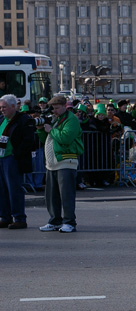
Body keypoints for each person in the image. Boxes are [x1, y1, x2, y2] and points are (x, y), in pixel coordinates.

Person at [38, 95, 84, 233]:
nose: (55, 111)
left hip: (66, 161)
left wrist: (50, 129)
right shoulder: (57, 120)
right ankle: (55, 220)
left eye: (57, 108)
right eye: (53, 108)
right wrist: (41, 129)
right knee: (52, 196)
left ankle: (69, 222)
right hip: (53, 163)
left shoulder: (72, 120)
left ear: (65, 106)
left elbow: (65, 138)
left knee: (66, 195)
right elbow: (47, 139)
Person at [0, 94, 35, 229]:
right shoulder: (2, 119)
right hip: (1, 158)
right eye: (1, 107)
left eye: (4, 107)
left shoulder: (23, 120)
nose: (2, 110)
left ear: (13, 107)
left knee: (14, 189)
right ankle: (5, 216)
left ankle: (19, 218)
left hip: (12, 159)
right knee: (2, 189)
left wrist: (16, 153)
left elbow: (28, 140)